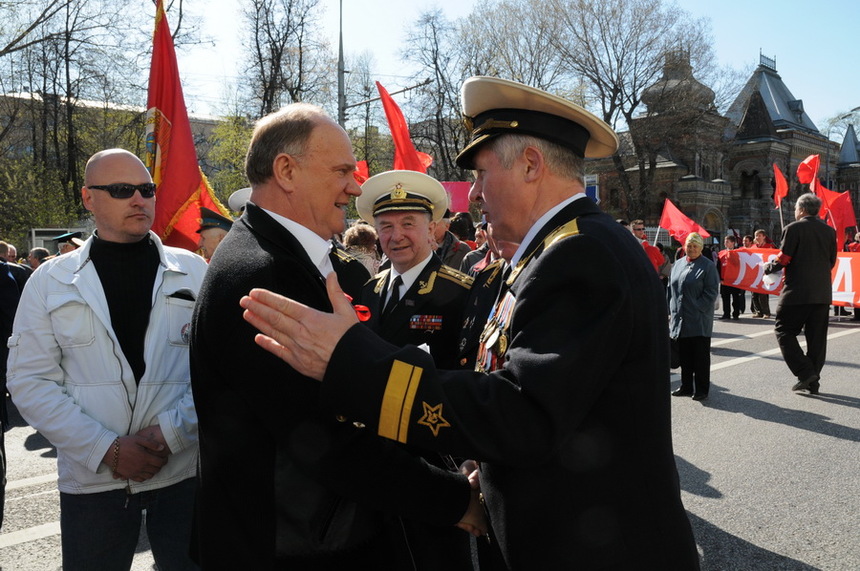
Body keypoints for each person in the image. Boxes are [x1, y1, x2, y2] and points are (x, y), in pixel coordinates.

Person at [240, 77, 701, 570]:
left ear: (530, 165)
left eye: (480, 174)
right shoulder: (556, 251)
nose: (475, 194)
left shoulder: (581, 253)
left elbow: (525, 413)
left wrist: (350, 361)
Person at [189, 103, 481, 570]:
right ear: (286, 170)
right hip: (287, 545)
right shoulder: (263, 272)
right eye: (343, 170)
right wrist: (453, 499)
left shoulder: (275, 254)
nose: (355, 185)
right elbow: (323, 437)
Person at [6, 149, 206, 570]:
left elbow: (221, 371)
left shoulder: (195, 272)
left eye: (146, 189)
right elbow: (30, 382)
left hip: (182, 475)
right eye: (121, 190)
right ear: (88, 198)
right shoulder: (50, 280)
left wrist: (171, 433)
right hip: (93, 483)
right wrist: (107, 449)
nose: (139, 199)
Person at [354, 170, 475, 567]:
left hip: (431, 459)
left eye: (409, 223)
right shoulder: (369, 291)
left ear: (433, 230)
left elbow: (471, 379)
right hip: (374, 457)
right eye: (386, 226)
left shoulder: (459, 293)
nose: (396, 235)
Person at [764, 193, 837, 394]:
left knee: (783, 330)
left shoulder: (793, 228)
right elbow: (831, 261)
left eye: (796, 208)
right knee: (817, 339)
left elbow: (784, 258)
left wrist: (769, 267)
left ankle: (805, 373)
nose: (795, 211)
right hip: (822, 293)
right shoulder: (830, 231)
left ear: (802, 209)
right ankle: (813, 381)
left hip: (796, 293)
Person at [668, 232, 720, 401]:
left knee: (700, 357)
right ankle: (686, 386)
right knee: (685, 356)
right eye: (688, 246)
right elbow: (671, 288)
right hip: (680, 318)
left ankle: (702, 389)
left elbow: (711, 292)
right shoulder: (678, 264)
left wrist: (697, 307)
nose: (691, 249)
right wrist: (670, 310)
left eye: (695, 246)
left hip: (698, 320)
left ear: (701, 248)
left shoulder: (707, 266)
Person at [717, 235, 745, 319]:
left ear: (733, 243)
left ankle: (736, 314)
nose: (725, 243)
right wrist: (720, 278)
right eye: (725, 241)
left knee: (735, 297)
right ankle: (726, 314)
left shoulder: (738, 253)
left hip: (735, 280)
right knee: (725, 298)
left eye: (727, 241)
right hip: (724, 280)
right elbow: (718, 266)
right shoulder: (721, 253)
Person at [750, 229, 776, 317]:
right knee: (754, 294)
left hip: (765, 273)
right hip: (755, 273)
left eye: (759, 236)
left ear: (764, 237)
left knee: (763, 293)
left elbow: (774, 259)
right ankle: (758, 311)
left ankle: (766, 312)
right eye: (756, 236)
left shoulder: (769, 247)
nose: (757, 237)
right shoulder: (753, 247)